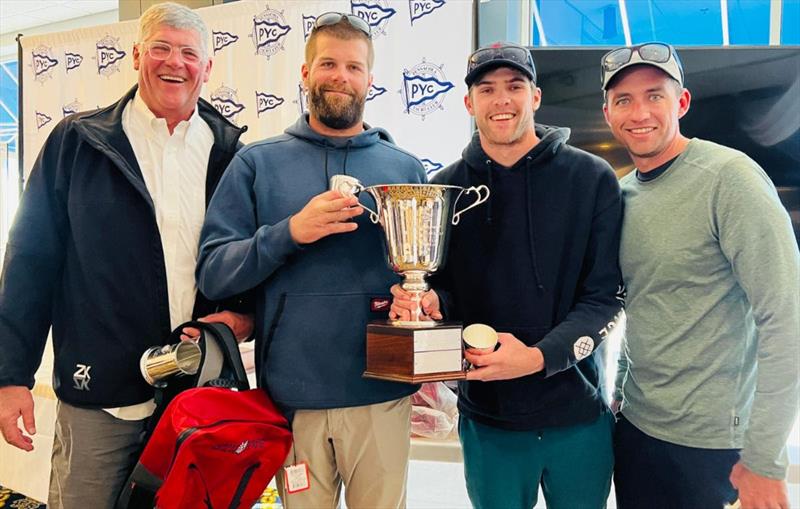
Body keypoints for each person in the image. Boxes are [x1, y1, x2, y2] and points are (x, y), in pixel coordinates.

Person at [0, 3, 253, 508]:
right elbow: (29, 265)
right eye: (160, 47)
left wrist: (245, 315)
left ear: (208, 68)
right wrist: (9, 377)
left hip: (195, 396)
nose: (173, 63)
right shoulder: (78, 144)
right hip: (99, 396)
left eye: (188, 53)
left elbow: (251, 257)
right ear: (136, 54)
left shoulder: (234, 154)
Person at [195, 12, 426, 509]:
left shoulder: (405, 169)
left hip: (381, 396)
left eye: (353, 66)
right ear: (305, 74)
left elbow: (434, 280)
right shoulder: (257, 162)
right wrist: (289, 233)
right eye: (327, 64)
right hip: (291, 400)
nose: (340, 76)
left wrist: (424, 305)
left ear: (370, 79)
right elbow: (214, 270)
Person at [391, 42, 623, 509]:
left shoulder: (592, 178)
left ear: (535, 97)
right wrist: (433, 304)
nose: (502, 100)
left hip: (577, 417)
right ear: (468, 102)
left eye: (515, 86)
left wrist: (538, 358)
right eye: (487, 89)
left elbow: (606, 299)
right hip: (489, 422)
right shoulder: (444, 191)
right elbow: (446, 293)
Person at [601, 42, 800, 509]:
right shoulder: (621, 194)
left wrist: (765, 460)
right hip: (637, 432)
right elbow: (639, 303)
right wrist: (619, 395)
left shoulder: (730, 179)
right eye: (624, 100)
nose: (639, 112)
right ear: (607, 112)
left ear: (682, 102)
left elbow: (786, 319)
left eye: (655, 95)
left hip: (715, 447)